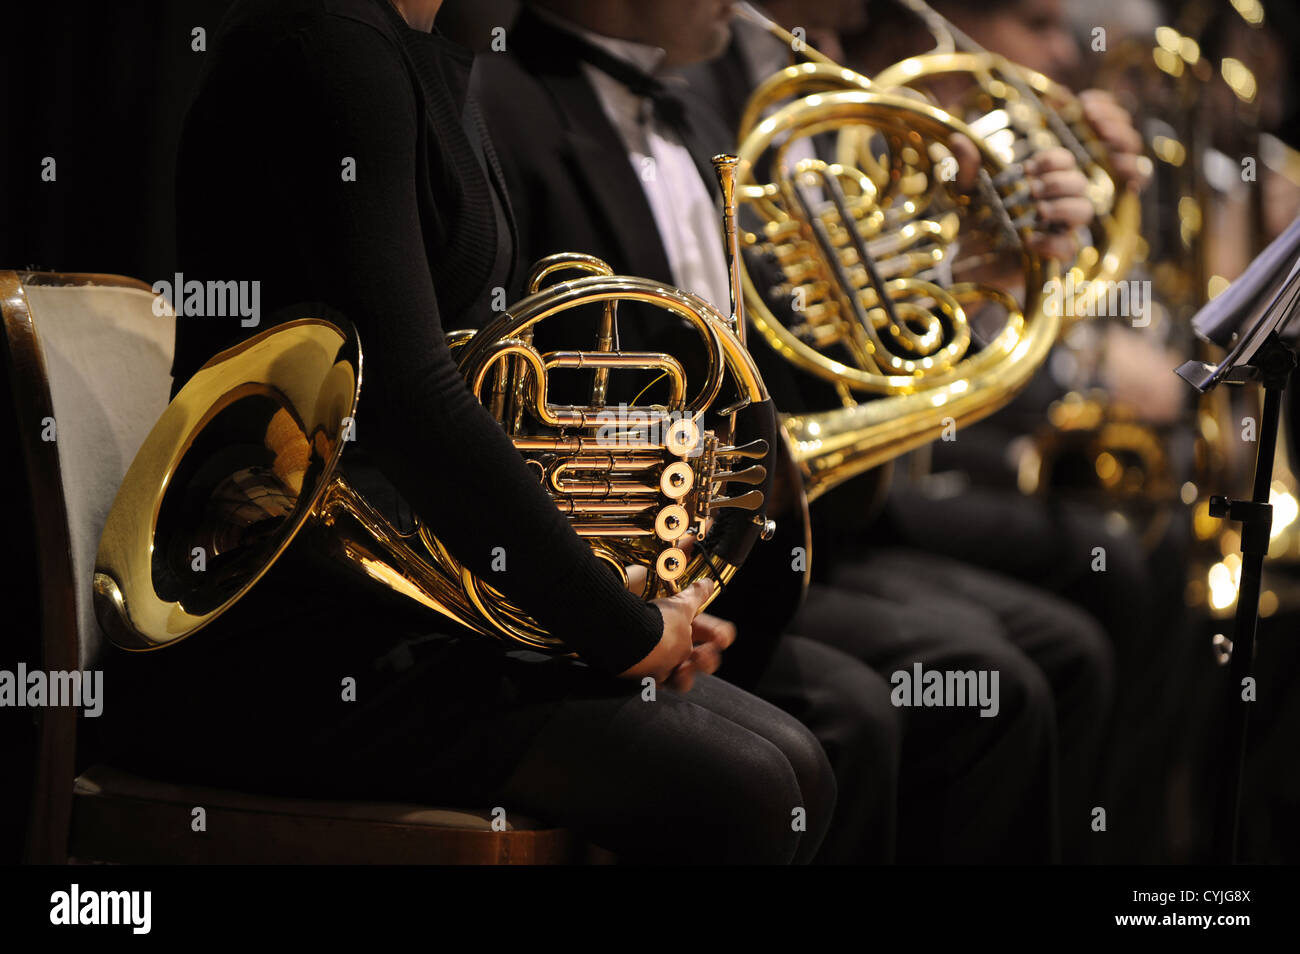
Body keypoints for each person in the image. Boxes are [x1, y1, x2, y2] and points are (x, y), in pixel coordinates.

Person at [91, 0, 842, 865]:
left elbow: (483, 390)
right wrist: (620, 628)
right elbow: (415, 404)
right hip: (282, 639)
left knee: (797, 765)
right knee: (747, 788)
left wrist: (624, 594)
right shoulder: (328, 47)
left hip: (404, 608)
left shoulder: (436, 50)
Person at [476, 0, 1113, 862]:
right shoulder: (505, 103)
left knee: (1037, 663)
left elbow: (799, 360)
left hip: (750, 552)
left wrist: (981, 275)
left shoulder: (697, 104)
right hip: (620, 577)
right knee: (946, 698)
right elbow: (505, 402)